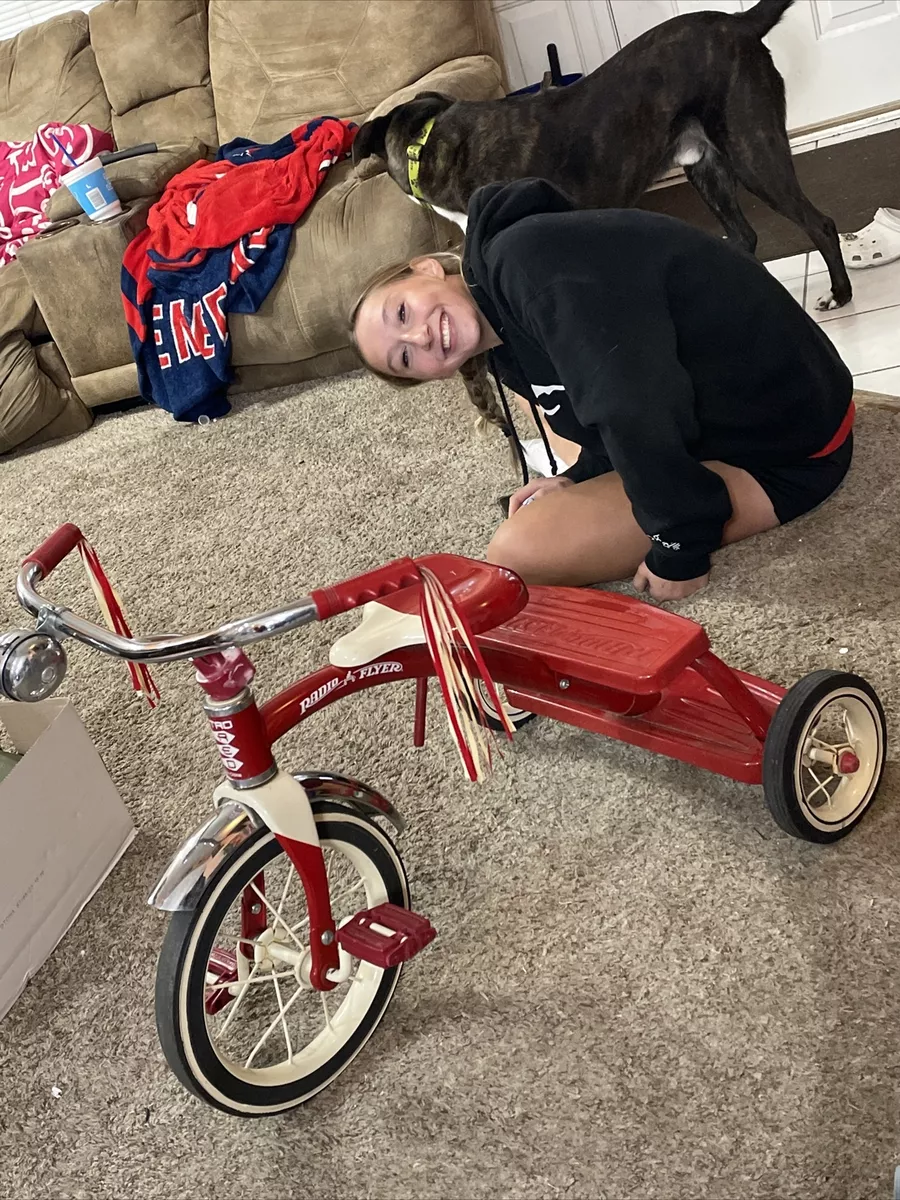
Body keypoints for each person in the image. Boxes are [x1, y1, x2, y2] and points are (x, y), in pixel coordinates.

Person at [351, 179, 855, 601]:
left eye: (401, 312)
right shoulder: (502, 336)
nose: (419, 337)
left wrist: (679, 546)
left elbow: (631, 402)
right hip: (734, 422)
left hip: (792, 450)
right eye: (405, 358)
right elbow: (611, 388)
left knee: (515, 553)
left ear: (425, 267)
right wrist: (581, 475)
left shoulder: (525, 259)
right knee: (543, 504)